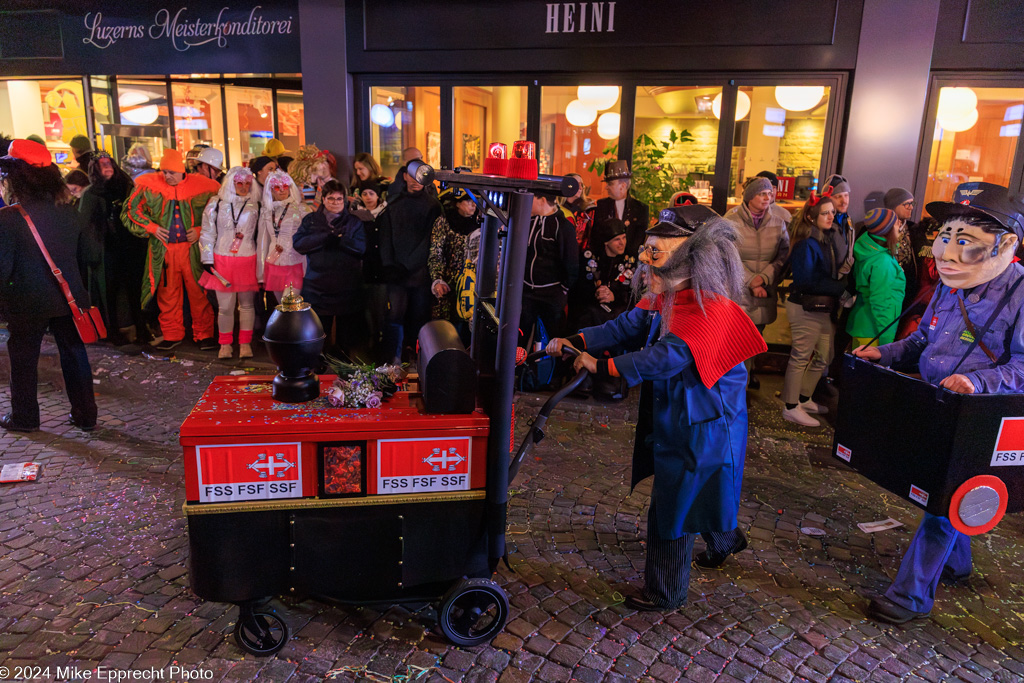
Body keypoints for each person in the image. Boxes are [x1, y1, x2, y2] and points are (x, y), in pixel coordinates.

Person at [546, 209, 766, 611]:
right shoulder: (667, 294)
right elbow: (627, 325)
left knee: (674, 505)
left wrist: (602, 366)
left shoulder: (707, 308)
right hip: (688, 415)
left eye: (652, 259)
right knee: (703, 488)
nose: (643, 268)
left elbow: (665, 358)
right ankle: (725, 538)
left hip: (705, 420)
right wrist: (577, 338)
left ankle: (665, 592)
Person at [854, 182, 1024, 624]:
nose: (944, 252)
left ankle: (910, 597)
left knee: (947, 498)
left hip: (984, 416)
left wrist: (976, 381)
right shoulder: (951, 286)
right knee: (942, 489)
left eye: (964, 242)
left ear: (1006, 245)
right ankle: (957, 563)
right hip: (938, 403)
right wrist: (884, 352)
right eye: (944, 235)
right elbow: (926, 337)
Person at [0, 139, 98, 432]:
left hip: (26, 302)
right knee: (74, 352)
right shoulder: (69, 210)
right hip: (69, 297)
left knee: (23, 358)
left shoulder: (8, 218)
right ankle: (85, 415)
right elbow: (91, 254)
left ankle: (25, 418)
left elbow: (2, 270)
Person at [122, 148, 221, 352]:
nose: (167, 176)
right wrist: (152, 227)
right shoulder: (147, 185)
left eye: (172, 172)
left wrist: (200, 230)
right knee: (167, 293)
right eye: (164, 172)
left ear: (182, 171)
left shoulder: (206, 188)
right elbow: (130, 211)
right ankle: (172, 334)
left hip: (192, 250)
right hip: (164, 251)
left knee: (199, 292)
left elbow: (220, 215)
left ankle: (205, 335)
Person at [781, 194, 846, 427]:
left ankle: (803, 397)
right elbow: (806, 280)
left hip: (821, 307)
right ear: (811, 217)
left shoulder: (823, 239)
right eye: (825, 213)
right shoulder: (806, 243)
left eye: (832, 212)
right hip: (805, 306)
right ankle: (790, 406)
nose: (830, 216)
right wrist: (842, 288)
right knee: (800, 357)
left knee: (825, 355)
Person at [723, 176, 791, 390]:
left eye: (769, 194)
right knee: (734, 342)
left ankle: (743, 387)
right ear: (750, 196)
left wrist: (766, 277)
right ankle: (731, 390)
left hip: (764, 292)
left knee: (753, 342)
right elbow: (726, 255)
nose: (767, 197)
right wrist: (752, 280)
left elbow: (784, 256)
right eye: (762, 193)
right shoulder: (730, 220)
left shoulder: (778, 221)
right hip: (737, 291)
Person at [376, 163, 444, 363]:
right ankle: (393, 358)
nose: (415, 181)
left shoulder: (433, 205)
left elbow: (433, 240)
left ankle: (419, 357)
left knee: (420, 316)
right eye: (412, 176)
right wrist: (389, 265)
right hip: (396, 272)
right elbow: (385, 237)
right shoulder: (393, 203)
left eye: (420, 177)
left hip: (421, 271)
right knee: (395, 316)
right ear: (404, 176)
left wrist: (410, 264)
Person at [293, 180, 366, 358]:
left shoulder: (354, 222)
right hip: (317, 285)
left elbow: (361, 248)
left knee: (346, 334)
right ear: (323, 199)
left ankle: (343, 362)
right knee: (317, 331)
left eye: (339, 199)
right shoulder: (311, 220)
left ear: (344, 201)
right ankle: (318, 361)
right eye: (331, 198)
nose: (335, 202)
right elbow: (299, 244)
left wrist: (341, 240)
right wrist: (324, 236)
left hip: (346, 285)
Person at [569, 217, 636, 400]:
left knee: (617, 323)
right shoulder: (589, 257)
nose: (622, 242)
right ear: (606, 242)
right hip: (591, 309)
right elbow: (578, 288)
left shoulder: (631, 260)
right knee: (589, 319)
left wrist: (614, 295)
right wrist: (597, 294)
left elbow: (634, 293)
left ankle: (609, 378)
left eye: (623, 237)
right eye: (617, 239)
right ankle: (583, 376)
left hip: (619, 310)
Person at [199, 166, 261, 359]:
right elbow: (207, 231)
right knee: (225, 307)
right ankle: (225, 344)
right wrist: (207, 258)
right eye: (239, 183)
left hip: (247, 258)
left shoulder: (257, 204)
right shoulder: (216, 203)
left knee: (247, 305)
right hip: (221, 258)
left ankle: (245, 343)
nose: (243, 187)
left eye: (247, 183)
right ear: (231, 182)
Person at [89, 153, 149, 346]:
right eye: (102, 165)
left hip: (132, 248)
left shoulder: (127, 187)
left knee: (135, 291)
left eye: (109, 163)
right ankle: (114, 331)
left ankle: (141, 329)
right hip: (108, 251)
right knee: (111, 294)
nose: (106, 167)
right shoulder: (92, 194)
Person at [521, 189, 579, 349]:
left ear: (542, 200)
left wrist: (563, 289)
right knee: (519, 338)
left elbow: (572, 261)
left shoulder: (563, 226)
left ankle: (560, 373)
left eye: (532, 198)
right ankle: (517, 372)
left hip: (551, 294)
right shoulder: (529, 221)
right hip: (527, 293)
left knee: (557, 341)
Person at [847, 209, 905, 348]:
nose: (900, 227)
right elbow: (882, 304)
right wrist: (886, 343)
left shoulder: (868, 250)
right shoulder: (883, 262)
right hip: (874, 332)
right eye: (897, 224)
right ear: (887, 231)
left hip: (863, 325)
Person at [258, 171, 311, 307]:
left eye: (285, 186)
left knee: (290, 305)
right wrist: (260, 271)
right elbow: (262, 241)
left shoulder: (301, 209)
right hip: (274, 262)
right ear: (271, 189)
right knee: (282, 307)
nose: (282, 191)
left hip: (296, 261)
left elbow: (310, 236)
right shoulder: (266, 210)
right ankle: (285, 329)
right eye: (277, 187)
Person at [430, 187, 480, 326]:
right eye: (469, 201)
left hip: (473, 284)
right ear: (457, 203)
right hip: (449, 284)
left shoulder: (480, 222)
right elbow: (436, 252)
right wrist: (438, 279)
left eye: (475, 201)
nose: (474, 205)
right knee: (448, 328)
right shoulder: (444, 222)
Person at [592, 160, 650, 258]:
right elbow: (597, 235)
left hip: (629, 264)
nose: (606, 187)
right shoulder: (601, 205)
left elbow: (638, 239)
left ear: (623, 186)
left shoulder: (640, 209)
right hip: (605, 261)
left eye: (610, 184)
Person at [559, 172, 595, 248]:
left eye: (581, 184)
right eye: (577, 184)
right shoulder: (558, 209)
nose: (580, 188)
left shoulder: (588, 210)